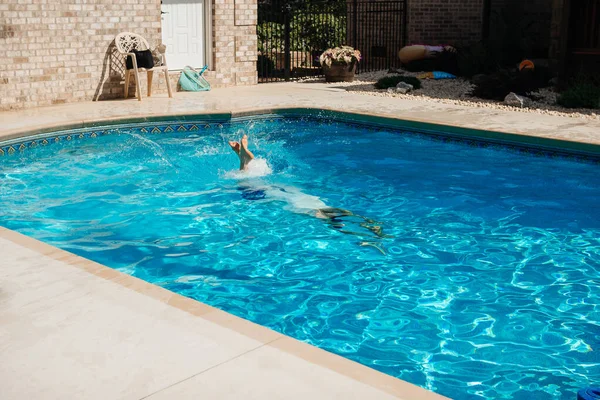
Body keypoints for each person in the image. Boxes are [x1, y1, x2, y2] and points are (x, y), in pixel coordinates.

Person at [227, 134, 389, 242]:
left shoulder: (315, 211)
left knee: (245, 183)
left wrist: (359, 236)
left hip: (290, 197)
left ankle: (242, 158)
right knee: (246, 183)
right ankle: (242, 158)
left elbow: (334, 223)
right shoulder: (318, 207)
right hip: (299, 197)